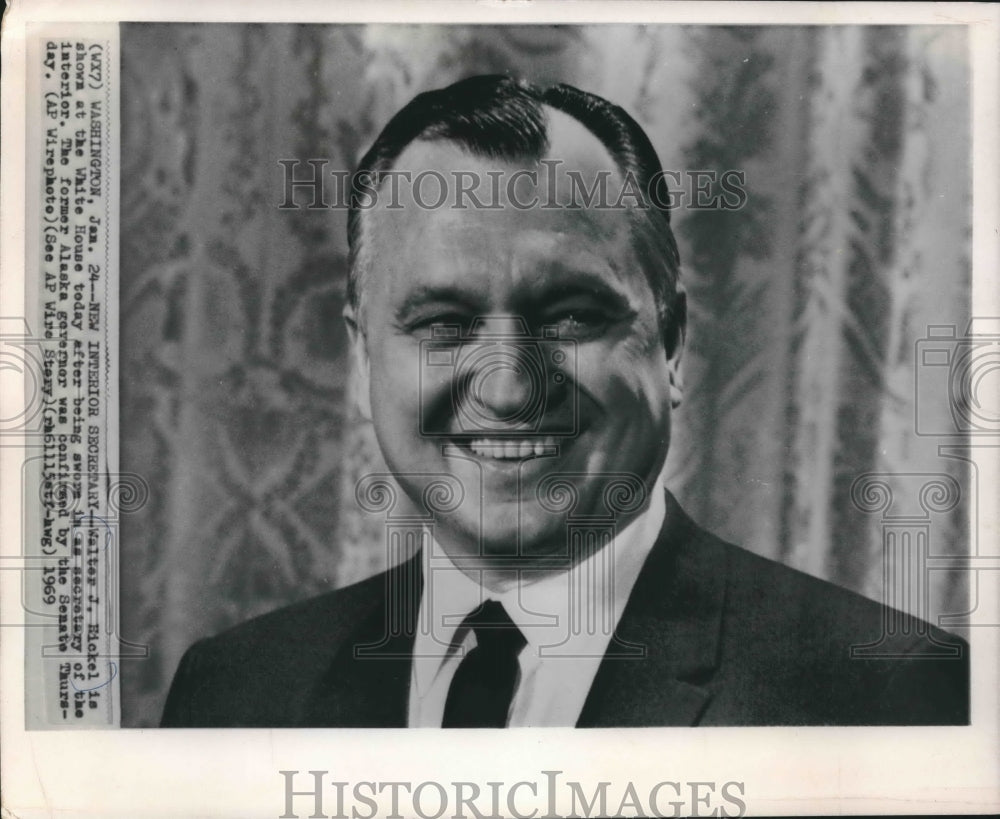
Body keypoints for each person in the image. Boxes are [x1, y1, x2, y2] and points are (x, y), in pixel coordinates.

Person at [161, 75, 968, 728]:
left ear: (672, 343)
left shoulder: (898, 695)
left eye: (572, 316)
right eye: (443, 323)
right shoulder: (234, 689)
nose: (510, 387)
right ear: (365, 351)